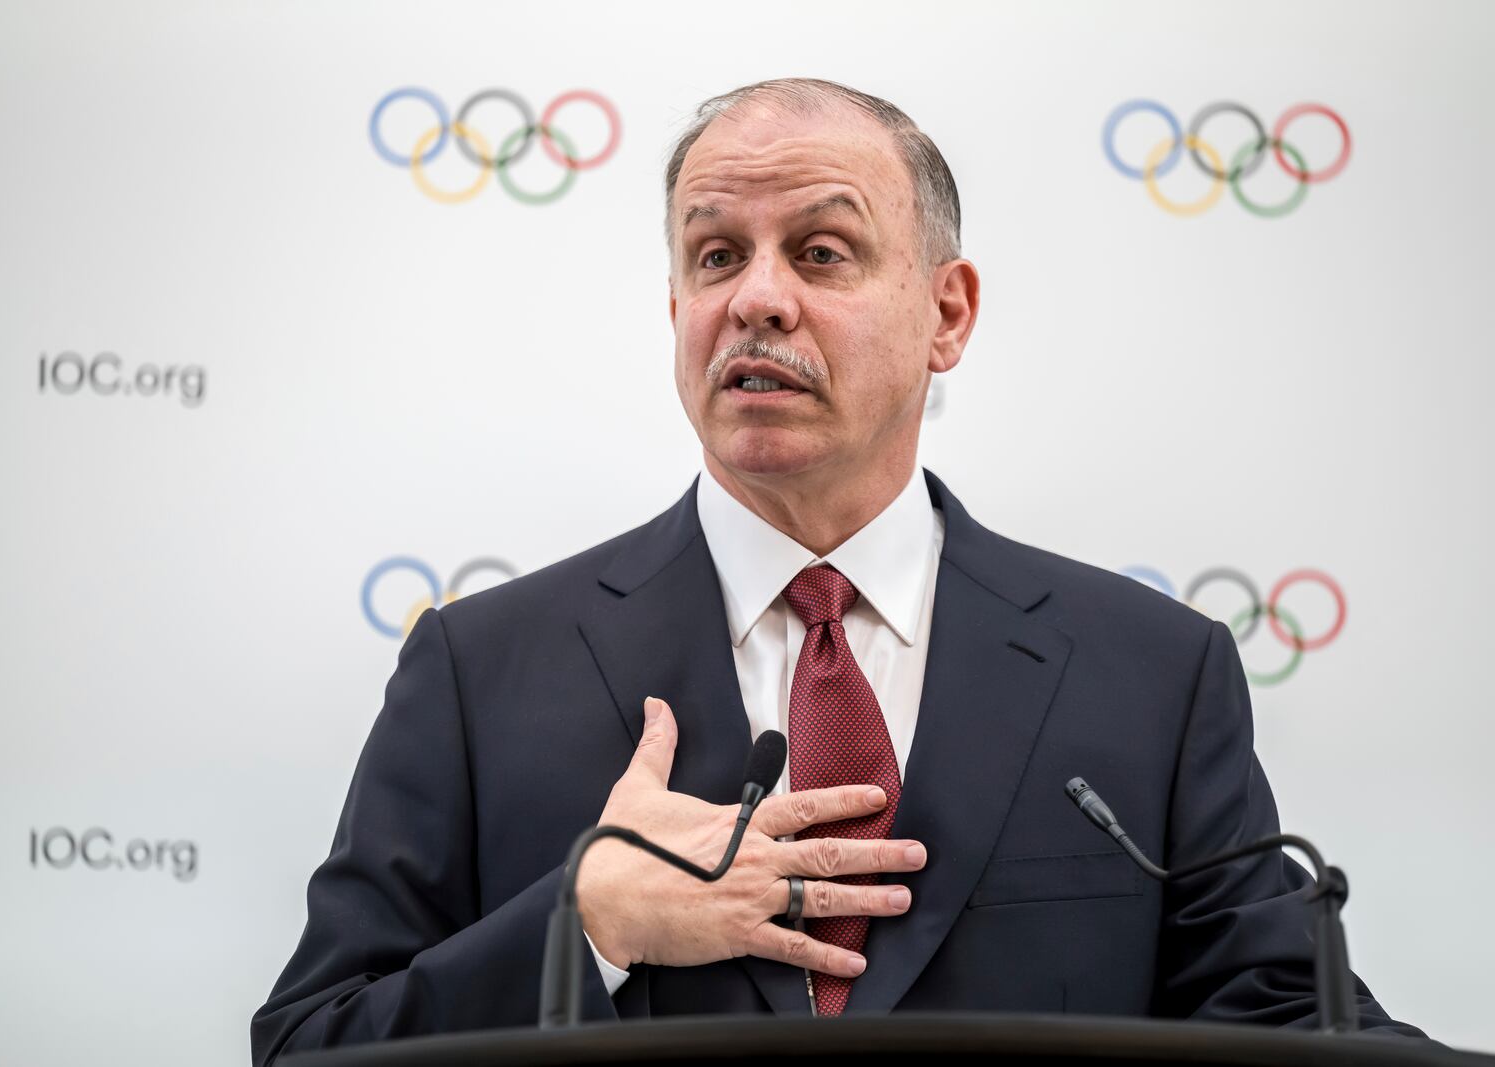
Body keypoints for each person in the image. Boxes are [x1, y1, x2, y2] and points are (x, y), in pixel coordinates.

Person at [251, 78, 1424, 1061]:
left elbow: (1280, 1021)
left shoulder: (1151, 672)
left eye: (821, 251)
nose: (757, 298)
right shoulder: (478, 669)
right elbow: (312, 1040)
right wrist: (588, 924)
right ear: (677, 310)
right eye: (716, 257)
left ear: (946, 313)